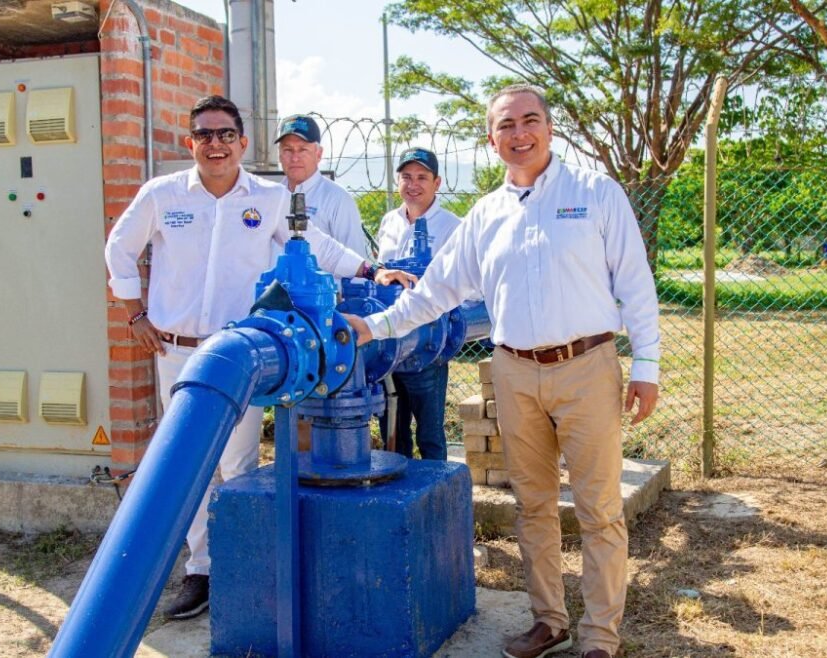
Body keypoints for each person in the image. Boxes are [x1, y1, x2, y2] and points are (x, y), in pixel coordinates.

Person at [345, 84, 660, 658]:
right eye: (506, 126)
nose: (519, 134)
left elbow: (635, 283)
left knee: (598, 509)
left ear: (549, 128)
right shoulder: (486, 216)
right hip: (514, 370)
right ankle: (549, 620)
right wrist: (376, 327)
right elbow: (435, 293)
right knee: (533, 504)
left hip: (587, 364)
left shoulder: (594, 193)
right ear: (491, 139)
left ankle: (599, 637)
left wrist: (647, 364)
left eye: (530, 121)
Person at [104, 95, 414, 621]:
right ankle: (200, 570)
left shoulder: (268, 199)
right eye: (204, 135)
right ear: (191, 143)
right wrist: (134, 313)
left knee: (237, 463)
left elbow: (315, 245)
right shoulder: (163, 195)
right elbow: (118, 247)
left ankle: (246, 565)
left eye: (226, 134)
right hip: (178, 354)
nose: (215, 144)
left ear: (242, 143)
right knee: (189, 465)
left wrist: (370, 272)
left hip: (243, 354)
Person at [375, 147, 461, 460]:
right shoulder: (389, 221)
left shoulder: (452, 227)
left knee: (430, 436)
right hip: (389, 343)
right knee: (392, 432)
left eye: (422, 177)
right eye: (406, 177)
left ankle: (435, 502)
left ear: (437, 183)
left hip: (427, 346)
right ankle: (399, 500)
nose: (413, 184)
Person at [275, 113, 373, 263]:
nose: (295, 158)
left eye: (302, 150)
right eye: (288, 150)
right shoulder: (273, 196)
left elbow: (356, 263)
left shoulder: (337, 199)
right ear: (279, 155)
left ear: (319, 154)